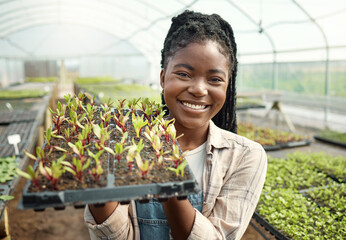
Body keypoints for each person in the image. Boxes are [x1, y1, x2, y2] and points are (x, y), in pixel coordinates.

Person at [84, 10, 267, 240]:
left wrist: (166, 174)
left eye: (215, 79)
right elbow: (115, 236)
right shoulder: (125, 142)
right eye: (184, 74)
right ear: (163, 78)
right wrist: (99, 182)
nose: (199, 89)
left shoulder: (245, 156)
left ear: (227, 87)